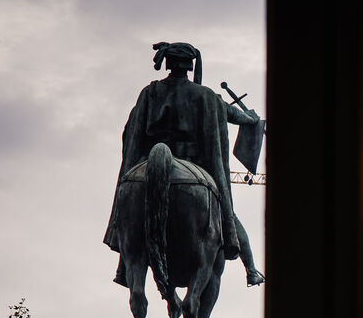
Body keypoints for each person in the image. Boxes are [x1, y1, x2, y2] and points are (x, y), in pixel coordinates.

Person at [105, 42, 264, 287]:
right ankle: (251, 269)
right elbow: (235, 116)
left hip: (148, 163)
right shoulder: (206, 96)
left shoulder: (150, 93)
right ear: (190, 66)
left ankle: (124, 265)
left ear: (168, 63)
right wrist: (251, 119)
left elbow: (132, 131)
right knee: (227, 212)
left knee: (131, 210)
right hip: (193, 162)